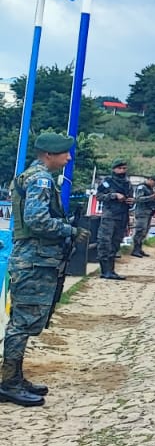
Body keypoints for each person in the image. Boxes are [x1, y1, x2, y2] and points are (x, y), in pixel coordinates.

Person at [3, 133, 92, 407]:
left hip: (31, 260)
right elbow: (37, 220)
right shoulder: (41, 180)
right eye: (65, 153)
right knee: (22, 324)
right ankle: (8, 383)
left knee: (25, 321)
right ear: (49, 155)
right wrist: (70, 230)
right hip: (34, 260)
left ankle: (14, 377)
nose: (69, 158)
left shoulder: (27, 176)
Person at [95, 159, 133, 280]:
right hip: (109, 216)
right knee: (105, 243)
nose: (122, 171)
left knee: (115, 243)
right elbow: (99, 196)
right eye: (120, 168)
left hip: (122, 216)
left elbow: (132, 198)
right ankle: (104, 271)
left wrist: (131, 201)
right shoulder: (107, 182)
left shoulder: (127, 183)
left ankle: (111, 271)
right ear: (114, 169)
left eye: (124, 168)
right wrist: (114, 195)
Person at [129, 176, 155, 257]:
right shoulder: (141, 187)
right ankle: (135, 250)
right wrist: (152, 197)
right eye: (154, 182)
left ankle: (139, 249)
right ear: (150, 180)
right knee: (140, 231)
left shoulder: (149, 189)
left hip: (148, 212)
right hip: (141, 212)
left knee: (144, 232)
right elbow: (138, 199)